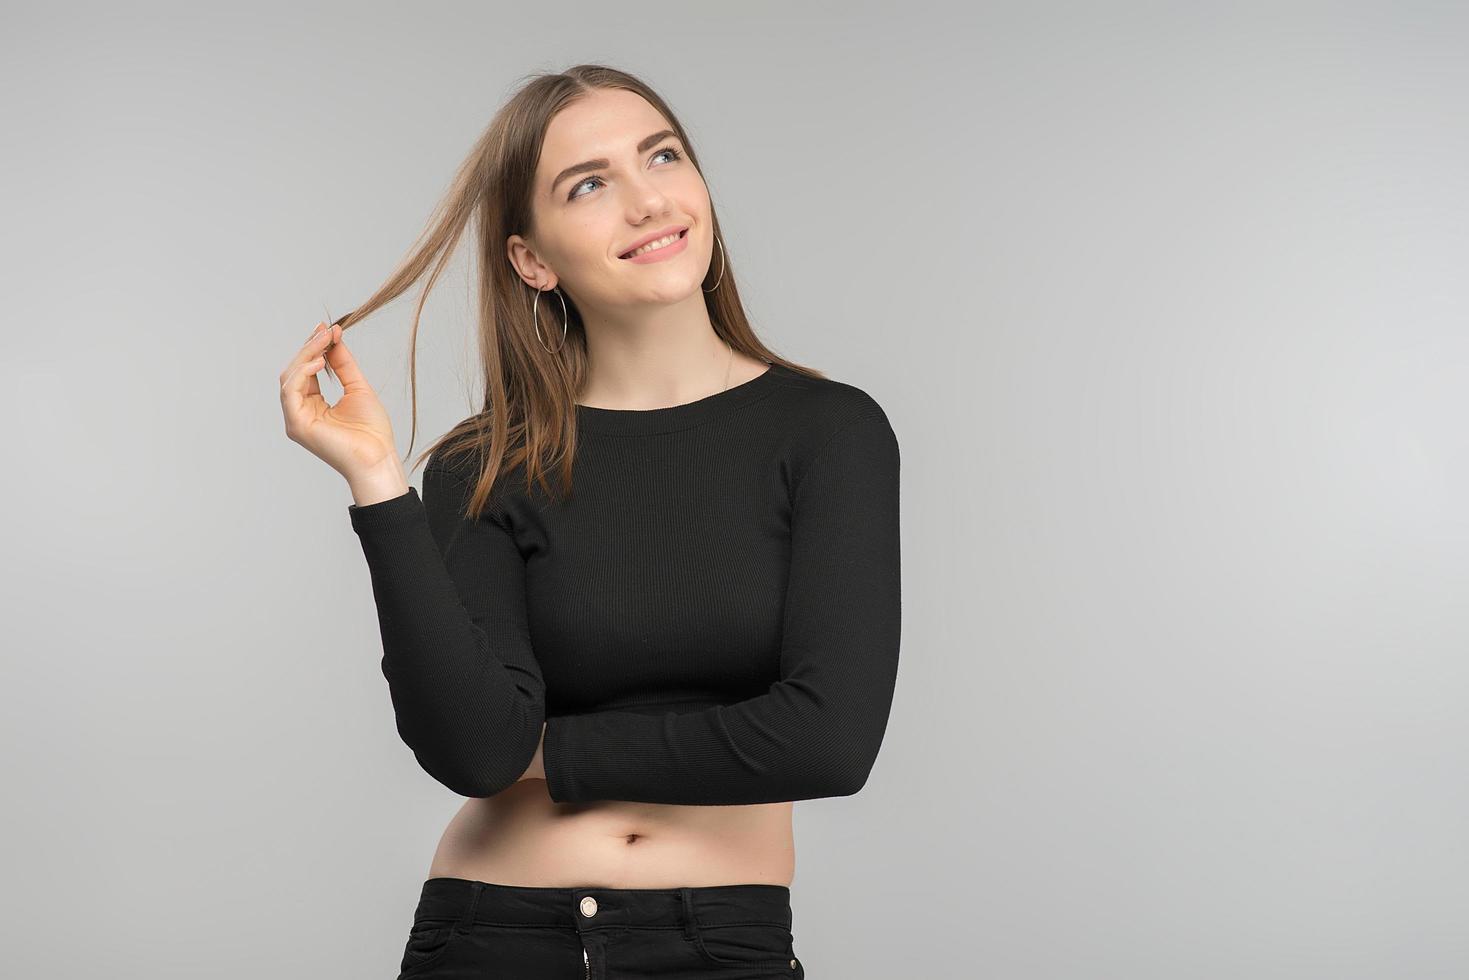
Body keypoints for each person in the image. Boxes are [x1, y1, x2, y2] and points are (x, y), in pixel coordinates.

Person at [278, 64, 901, 979]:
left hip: (718, 943)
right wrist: (376, 480)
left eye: (662, 156)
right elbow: (471, 749)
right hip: (491, 936)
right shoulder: (482, 462)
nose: (647, 201)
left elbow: (829, 740)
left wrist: (543, 749)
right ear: (531, 258)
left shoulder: (829, 432)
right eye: (590, 184)